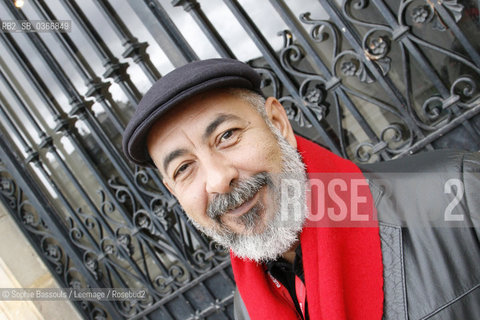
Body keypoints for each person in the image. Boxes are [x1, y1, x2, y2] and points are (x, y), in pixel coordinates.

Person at [122, 58, 480, 320]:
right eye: (185, 168)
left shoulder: (458, 194)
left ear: (278, 124)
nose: (217, 179)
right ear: (173, 191)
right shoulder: (247, 307)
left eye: (227, 136)